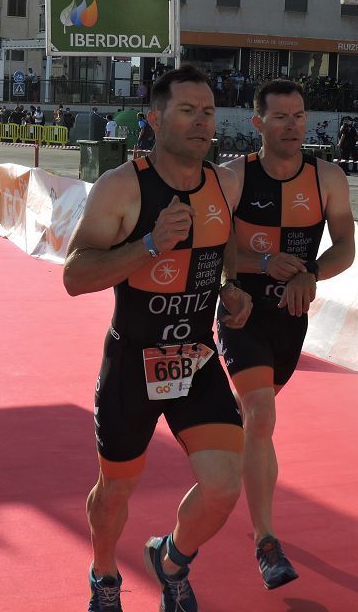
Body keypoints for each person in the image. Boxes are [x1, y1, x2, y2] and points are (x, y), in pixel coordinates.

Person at [64, 64, 253, 612]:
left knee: (224, 484)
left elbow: (224, 249)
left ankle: (170, 560)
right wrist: (149, 245)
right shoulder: (122, 186)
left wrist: (231, 288)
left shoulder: (220, 182)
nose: (202, 123)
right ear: (154, 118)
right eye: (188, 111)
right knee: (115, 491)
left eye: (209, 112)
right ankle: (104, 575)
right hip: (131, 361)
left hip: (195, 358)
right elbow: (75, 276)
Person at [218, 79, 355, 591]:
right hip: (241, 308)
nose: (293, 125)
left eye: (299, 115)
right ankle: (266, 540)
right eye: (280, 117)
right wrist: (257, 266)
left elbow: (345, 247)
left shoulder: (328, 178)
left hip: (290, 316)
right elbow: (214, 246)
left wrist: (310, 274)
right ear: (258, 123)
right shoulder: (232, 177)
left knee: (259, 424)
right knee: (260, 413)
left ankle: (234, 432)